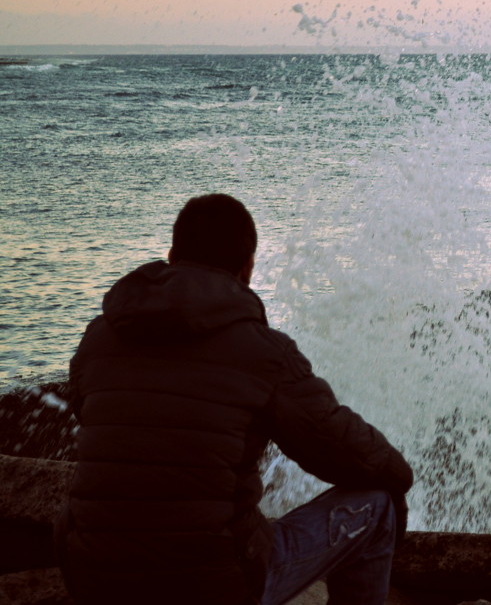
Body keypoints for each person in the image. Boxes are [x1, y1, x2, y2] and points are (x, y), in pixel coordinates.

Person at [55, 193, 414, 605]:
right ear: (248, 268)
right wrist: (399, 477)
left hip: (94, 577)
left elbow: (94, 416)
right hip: (217, 586)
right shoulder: (264, 353)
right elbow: (342, 450)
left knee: (82, 507)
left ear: (172, 255)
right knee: (378, 502)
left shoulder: (99, 337)